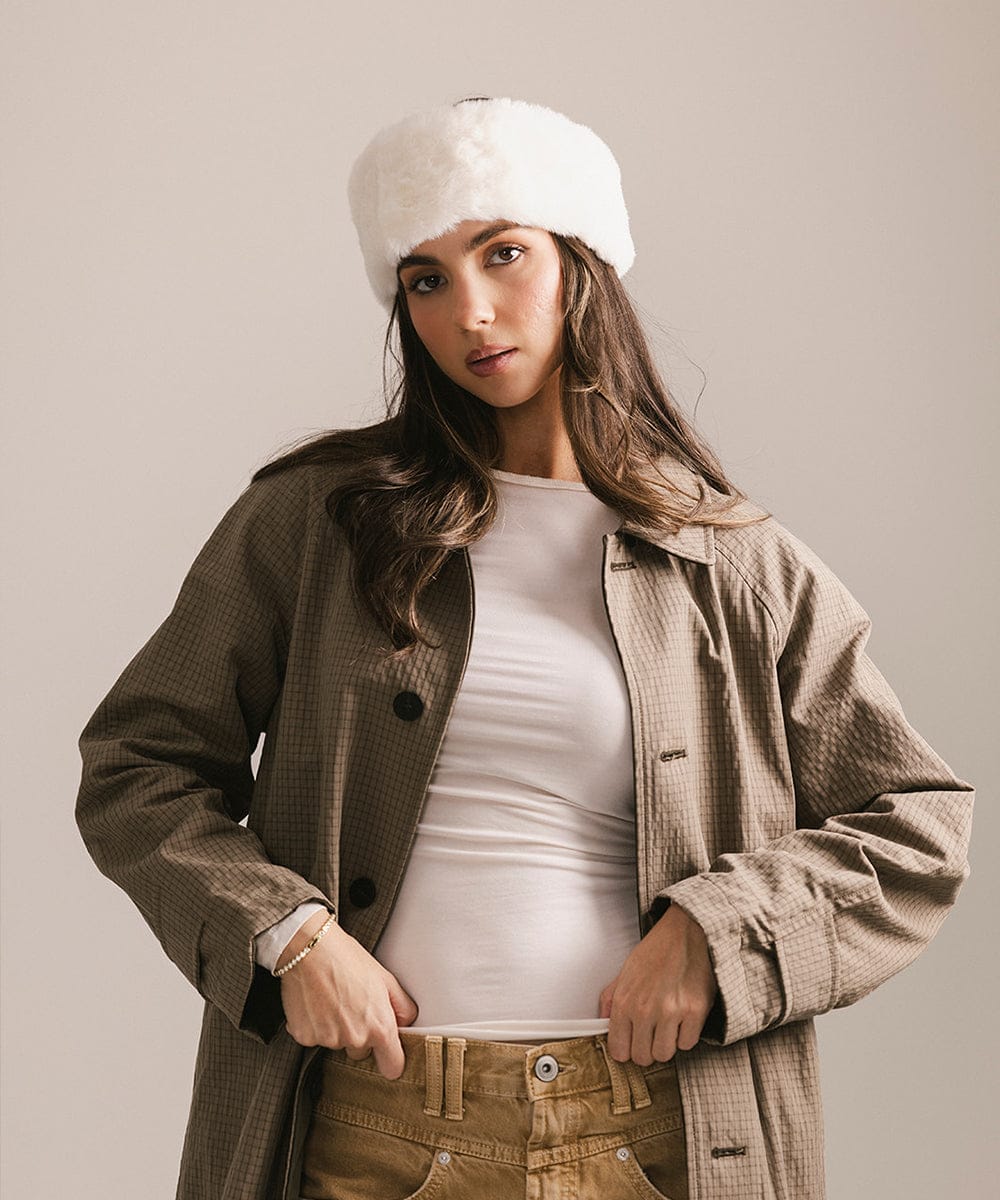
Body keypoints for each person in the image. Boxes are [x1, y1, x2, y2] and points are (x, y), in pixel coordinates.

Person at [76, 97, 974, 1200]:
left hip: (657, 1135)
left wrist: (722, 932)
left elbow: (918, 826)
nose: (472, 310)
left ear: (580, 262)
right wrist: (287, 936)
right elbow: (138, 763)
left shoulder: (732, 564)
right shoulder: (316, 524)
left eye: (504, 253)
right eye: (427, 277)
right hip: (373, 1125)